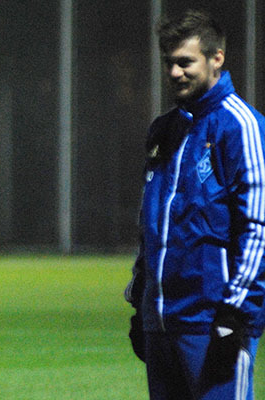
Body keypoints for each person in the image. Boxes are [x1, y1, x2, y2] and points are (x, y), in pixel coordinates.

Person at [125, 9, 265, 400]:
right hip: (162, 324)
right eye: (169, 62)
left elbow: (258, 228)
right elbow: (151, 226)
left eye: (185, 62)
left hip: (213, 322)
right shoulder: (164, 130)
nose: (174, 72)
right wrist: (141, 304)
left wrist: (235, 313)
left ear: (216, 58)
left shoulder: (240, 126)